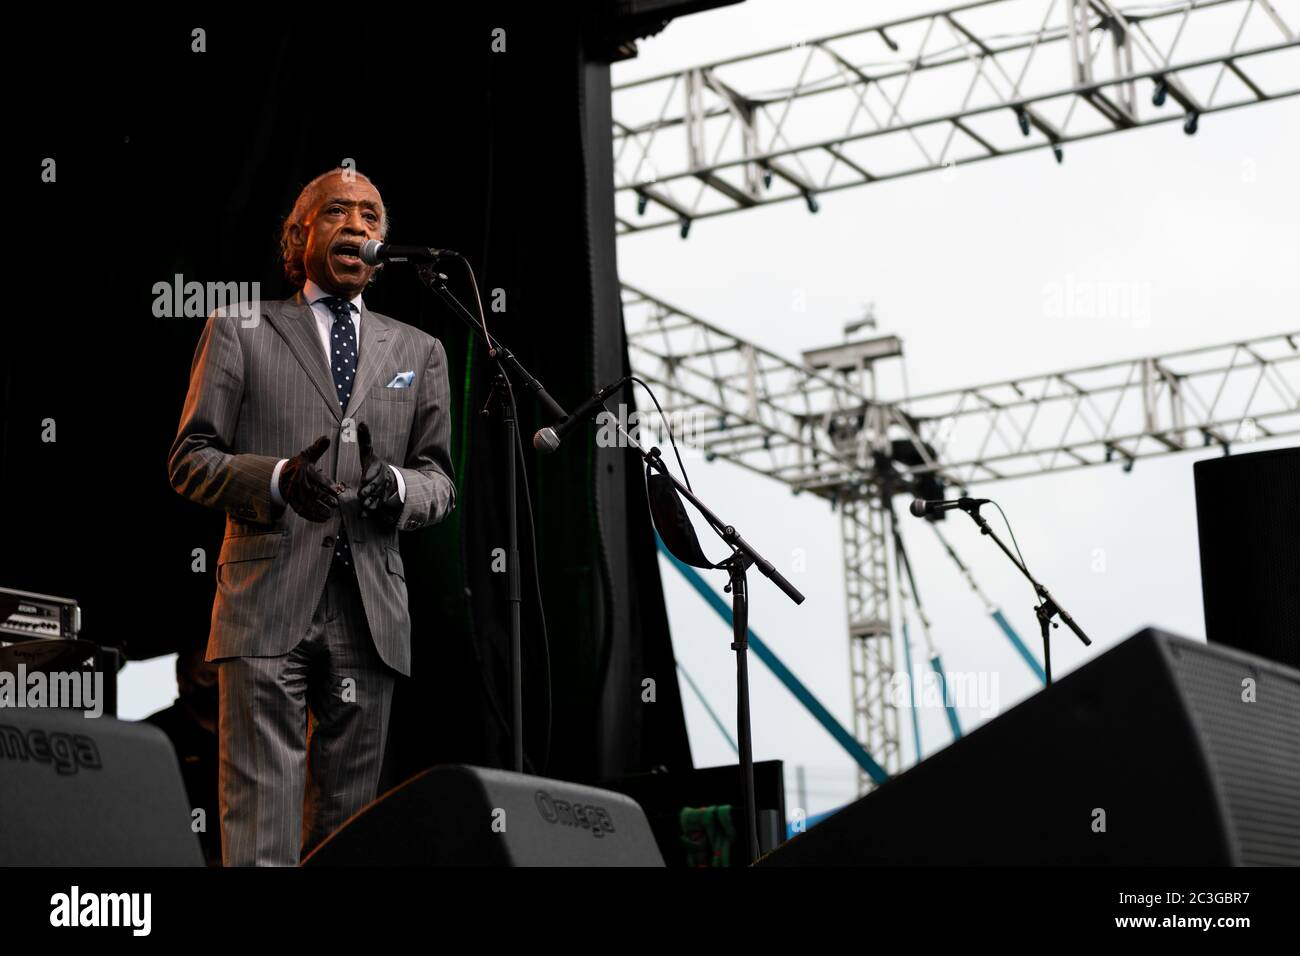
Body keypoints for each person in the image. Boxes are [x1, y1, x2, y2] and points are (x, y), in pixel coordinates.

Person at [167, 168, 457, 866]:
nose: (359, 225)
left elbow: (440, 478)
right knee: (260, 821)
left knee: (350, 832)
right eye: (338, 211)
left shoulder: (420, 351)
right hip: (266, 599)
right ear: (301, 238)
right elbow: (190, 458)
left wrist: (399, 487)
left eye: (371, 214)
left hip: (371, 608)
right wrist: (274, 479)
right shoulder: (241, 328)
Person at [144, 642, 222, 865]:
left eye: (221, 678)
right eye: (206, 677)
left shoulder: (241, 736)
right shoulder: (155, 733)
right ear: (182, 680)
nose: (215, 683)